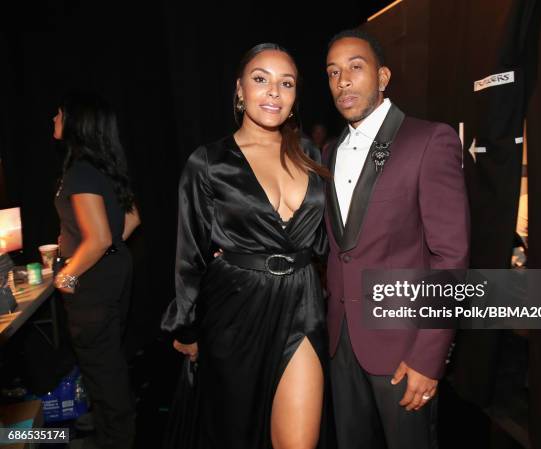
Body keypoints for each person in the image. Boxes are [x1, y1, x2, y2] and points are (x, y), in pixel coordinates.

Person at [161, 43, 330, 449]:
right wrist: (186, 324)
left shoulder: (309, 153)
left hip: (302, 301)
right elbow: (191, 254)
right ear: (240, 90)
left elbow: (326, 237)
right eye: (261, 79)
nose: (273, 91)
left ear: (294, 96)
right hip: (235, 309)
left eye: (285, 83)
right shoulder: (208, 162)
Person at [323, 29, 470, 449]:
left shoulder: (429, 140)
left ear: (383, 76)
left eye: (355, 67)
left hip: (404, 348)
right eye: (333, 72)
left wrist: (428, 356)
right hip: (341, 343)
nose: (343, 80)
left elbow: (451, 257)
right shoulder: (330, 152)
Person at [52, 91, 140, 449]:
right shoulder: (105, 166)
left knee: (104, 374)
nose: (53, 120)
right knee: (108, 366)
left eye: (58, 114)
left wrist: (67, 274)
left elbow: (99, 238)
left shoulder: (80, 173)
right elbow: (132, 219)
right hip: (112, 277)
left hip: (92, 286)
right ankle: (113, 431)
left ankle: (117, 438)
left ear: (75, 122)